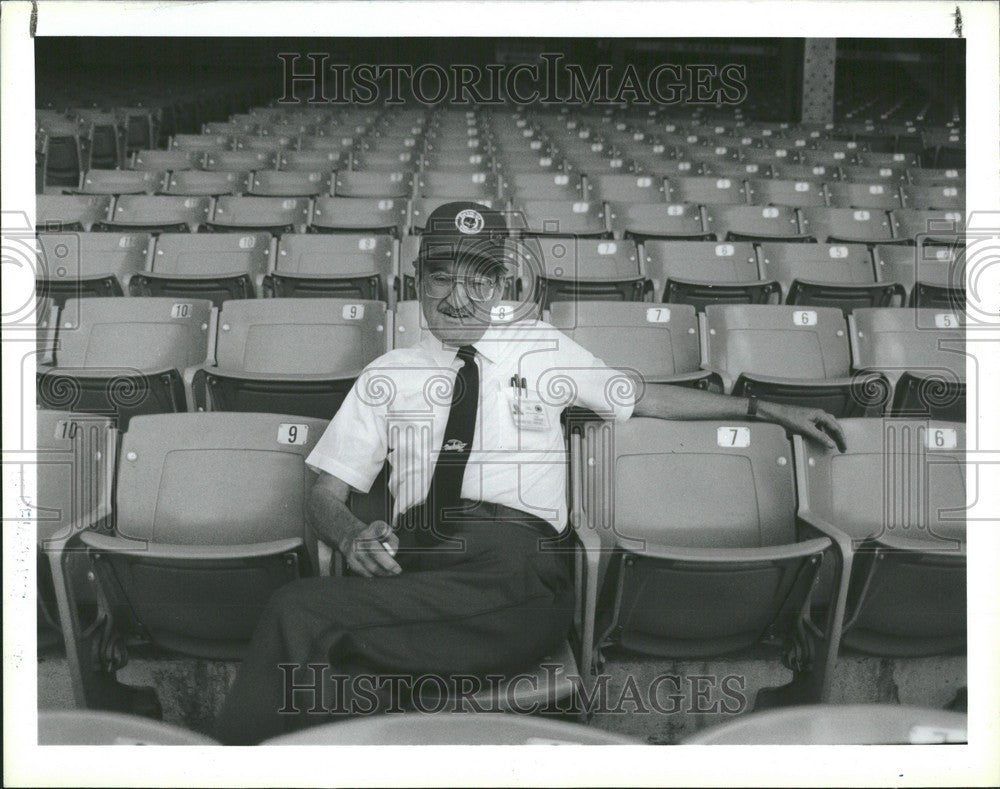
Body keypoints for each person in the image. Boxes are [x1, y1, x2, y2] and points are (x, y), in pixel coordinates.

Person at [214, 201, 846, 744]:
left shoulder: (540, 347)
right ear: (417, 280)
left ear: (500, 286)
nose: (459, 296)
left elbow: (644, 396)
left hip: (517, 561)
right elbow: (325, 492)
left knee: (305, 631)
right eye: (442, 275)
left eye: (479, 280)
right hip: (419, 561)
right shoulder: (388, 374)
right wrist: (352, 535)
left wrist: (764, 407)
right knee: (301, 619)